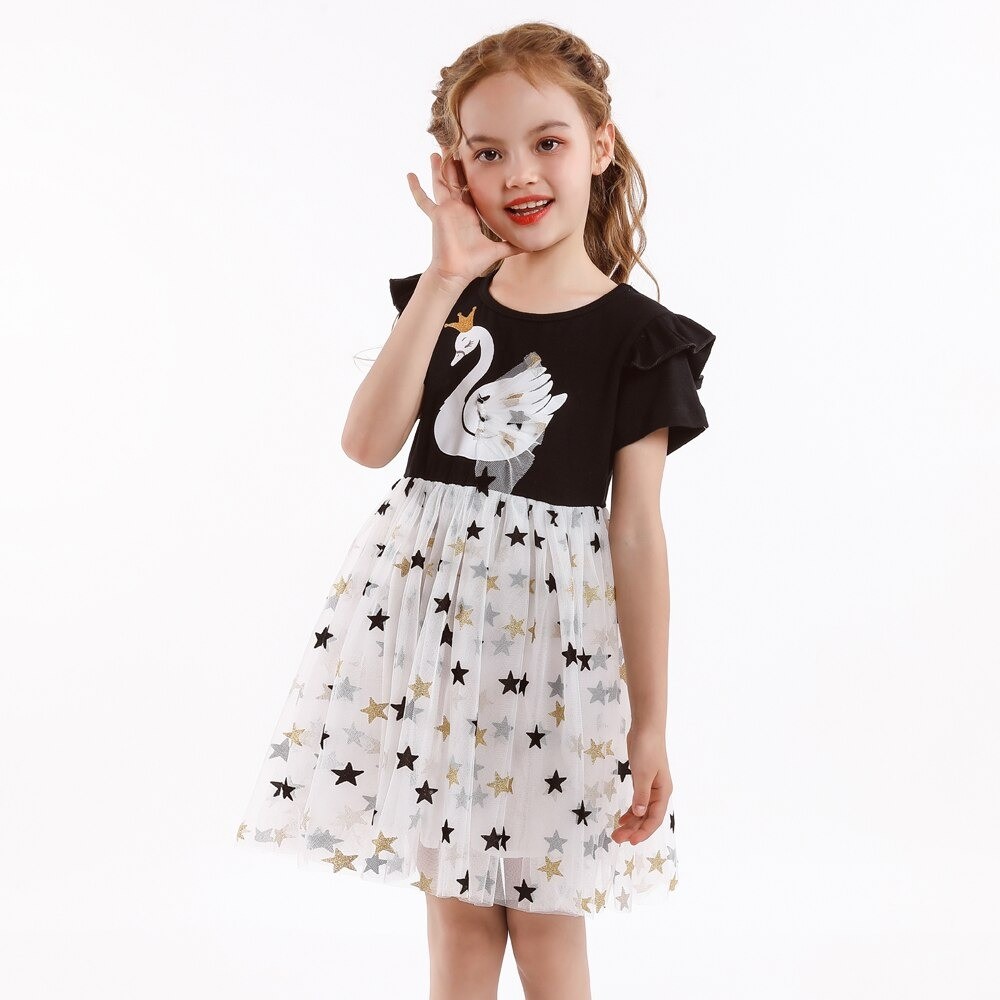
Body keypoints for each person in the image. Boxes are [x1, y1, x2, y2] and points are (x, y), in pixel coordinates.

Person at [235, 21, 716, 1000]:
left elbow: (635, 533)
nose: (519, 172)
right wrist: (445, 276)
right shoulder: (451, 303)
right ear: (456, 169)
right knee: (456, 924)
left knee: (545, 924)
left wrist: (650, 722)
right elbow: (367, 442)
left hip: (553, 664)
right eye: (487, 152)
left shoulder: (640, 339)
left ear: (600, 146)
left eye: (548, 141)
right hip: (436, 652)